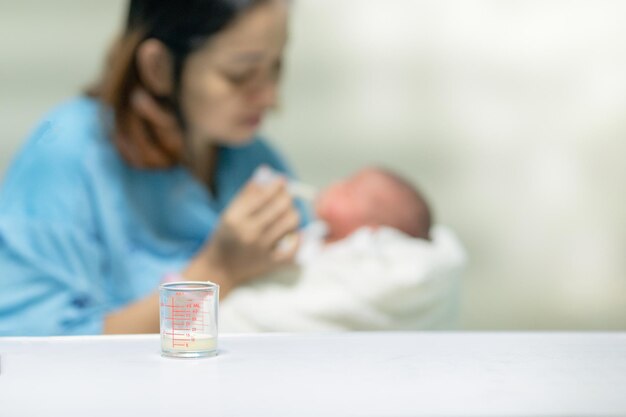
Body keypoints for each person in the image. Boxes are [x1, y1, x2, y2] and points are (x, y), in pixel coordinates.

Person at [0, 0, 306, 336]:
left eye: (277, 66)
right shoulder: (68, 152)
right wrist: (218, 271)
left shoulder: (250, 157)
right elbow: (28, 345)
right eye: (240, 75)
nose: (271, 98)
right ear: (158, 67)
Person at [219, 167, 467, 332]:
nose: (336, 184)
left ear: (374, 228)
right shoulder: (314, 236)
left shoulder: (372, 252)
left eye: (349, 188)